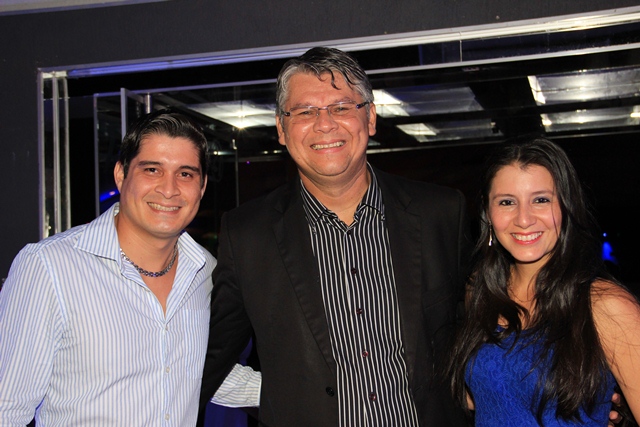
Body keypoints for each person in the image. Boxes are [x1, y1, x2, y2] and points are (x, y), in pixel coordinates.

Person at [198, 46, 471, 426]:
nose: (324, 124)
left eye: (341, 107)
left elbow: (480, 328)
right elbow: (206, 357)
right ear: (281, 129)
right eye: (305, 112)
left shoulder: (441, 213)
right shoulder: (247, 235)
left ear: (370, 117)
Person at [0, 109, 259, 425]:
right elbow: (7, 407)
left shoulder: (206, 273)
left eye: (185, 174)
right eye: (152, 169)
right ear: (121, 175)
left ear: (202, 187)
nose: (169, 189)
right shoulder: (48, 267)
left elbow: (198, 370)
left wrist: (309, 391)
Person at [448, 138, 640, 425]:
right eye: (507, 202)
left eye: (541, 200)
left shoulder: (605, 305)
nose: (524, 219)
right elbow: (481, 396)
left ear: (566, 206)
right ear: (488, 213)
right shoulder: (480, 292)